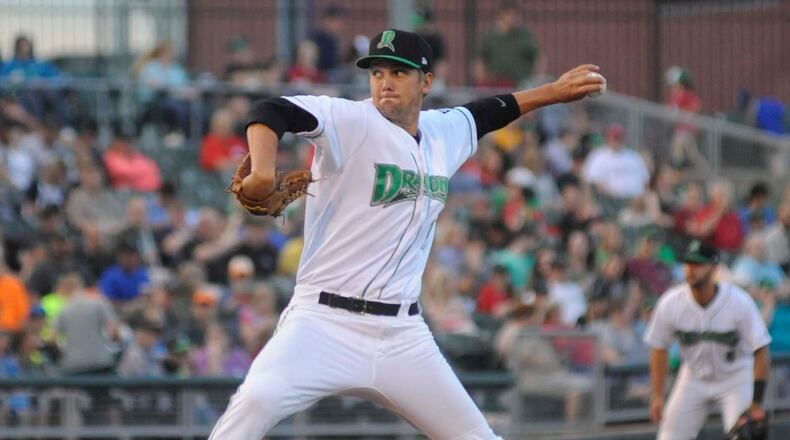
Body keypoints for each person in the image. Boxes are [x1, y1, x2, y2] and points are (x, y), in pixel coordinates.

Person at [209, 29, 604, 439]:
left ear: (426, 81)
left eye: (398, 72)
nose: (385, 82)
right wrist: (262, 171)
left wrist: (553, 92)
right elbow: (271, 110)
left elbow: (492, 111)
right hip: (322, 322)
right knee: (254, 403)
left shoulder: (444, 130)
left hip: (401, 334)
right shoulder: (350, 120)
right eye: (377, 72)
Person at [644, 240, 771, 440]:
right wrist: (657, 394)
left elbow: (761, 349)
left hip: (735, 377)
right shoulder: (671, 302)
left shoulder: (738, 301)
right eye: (688, 263)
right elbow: (659, 348)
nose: (691, 269)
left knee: (744, 436)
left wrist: (756, 401)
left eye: (698, 264)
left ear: (713, 268)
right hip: (693, 378)